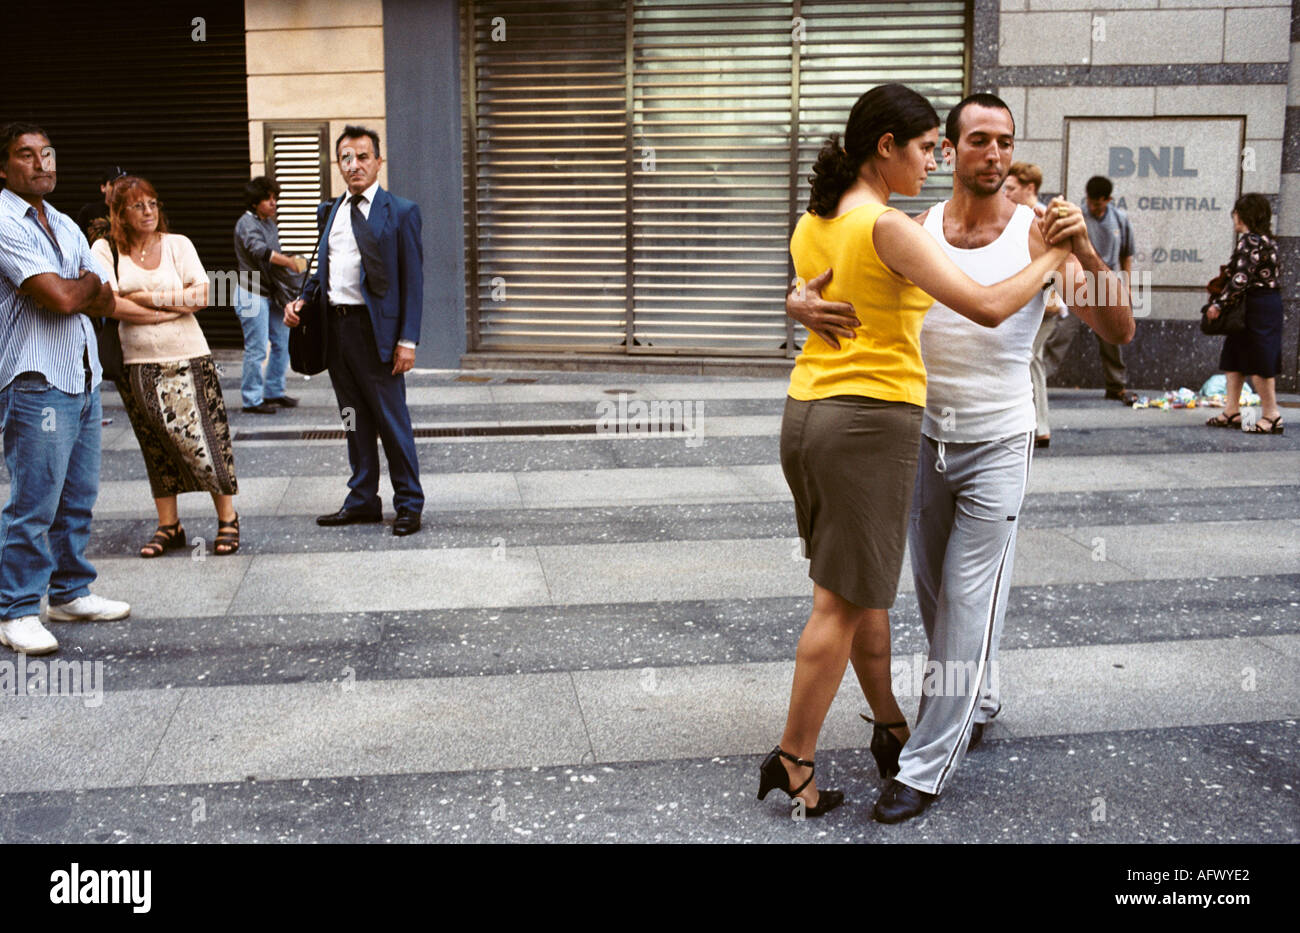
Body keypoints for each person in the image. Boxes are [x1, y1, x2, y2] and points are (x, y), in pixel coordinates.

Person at [785, 93, 1133, 824]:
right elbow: (836, 279)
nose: (996, 154)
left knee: (969, 599)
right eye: (978, 140)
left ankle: (924, 765)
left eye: (1005, 141)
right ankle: (980, 694)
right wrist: (798, 305)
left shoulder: (1043, 233)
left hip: (998, 440)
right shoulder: (910, 227)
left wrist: (1087, 253)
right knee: (938, 601)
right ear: (947, 148)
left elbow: (1118, 327)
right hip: (915, 441)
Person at [0, 122, 129, 656]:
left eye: (47, 153)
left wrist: (83, 288)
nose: (41, 163)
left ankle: (70, 590)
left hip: (81, 375)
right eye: (26, 155)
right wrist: (83, 286)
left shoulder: (65, 223)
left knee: (77, 497)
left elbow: (105, 298)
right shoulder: (5, 220)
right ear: (4, 168)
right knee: (34, 503)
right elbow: (60, 298)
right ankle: (16, 609)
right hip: (36, 381)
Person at [284, 124, 425, 537]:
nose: (355, 164)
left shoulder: (400, 211)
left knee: (391, 422)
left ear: (378, 161)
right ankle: (362, 499)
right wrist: (302, 303)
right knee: (352, 420)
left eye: (363, 156)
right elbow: (321, 273)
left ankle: (409, 504)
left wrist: (407, 340)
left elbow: (413, 281)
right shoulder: (330, 212)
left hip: (376, 334)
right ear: (338, 164)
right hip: (336, 332)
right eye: (346, 157)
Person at [90, 176, 241, 557]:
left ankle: (228, 519)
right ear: (119, 213)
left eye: (153, 204)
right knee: (156, 444)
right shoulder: (105, 248)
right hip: (137, 361)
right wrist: (168, 310)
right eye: (138, 206)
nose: (148, 212)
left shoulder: (178, 244)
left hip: (189, 355)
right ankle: (169, 525)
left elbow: (203, 293)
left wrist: (145, 297)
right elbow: (108, 303)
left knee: (206, 441)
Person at [1204, 193, 1284, 434]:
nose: (1234, 218)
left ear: (1244, 215)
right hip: (1264, 303)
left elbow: (1240, 279)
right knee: (1234, 357)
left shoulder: (1249, 241)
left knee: (1260, 360)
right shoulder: (1268, 240)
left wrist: (1218, 305)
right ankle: (1232, 410)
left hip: (1255, 306)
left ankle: (1272, 415)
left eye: (1236, 213)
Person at [1003, 161, 1070, 447]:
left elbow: (1058, 259)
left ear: (1029, 188)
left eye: (1011, 188)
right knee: (1033, 359)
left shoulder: (1040, 215)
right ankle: (1037, 425)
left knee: (1029, 358)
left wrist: (1054, 296)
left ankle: (1038, 426)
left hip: (1043, 301)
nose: (1005, 193)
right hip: (1029, 299)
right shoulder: (1017, 216)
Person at [234, 176, 303, 414]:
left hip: (271, 292)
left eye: (275, 198)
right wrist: (290, 263)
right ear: (254, 202)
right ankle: (251, 400)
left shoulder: (270, 224)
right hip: (250, 291)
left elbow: (274, 258)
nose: (274, 203)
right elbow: (260, 251)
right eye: (267, 199)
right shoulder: (246, 223)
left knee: (282, 343)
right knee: (257, 348)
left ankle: (274, 391)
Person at [1083, 175, 1138, 404]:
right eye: (1090, 202)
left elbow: (1126, 254)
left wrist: (1127, 285)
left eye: (1098, 203)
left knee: (1111, 337)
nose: (1093, 207)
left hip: (1109, 282)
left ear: (1108, 200)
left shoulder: (1119, 218)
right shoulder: (1078, 215)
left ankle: (1115, 385)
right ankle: (1038, 381)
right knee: (1060, 333)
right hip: (1078, 280)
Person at [76, 164, 126, 240]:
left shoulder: (132, 212)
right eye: (113, 184)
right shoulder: (89, 212)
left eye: (122, 184)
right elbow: (76, 241)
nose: (117, 188)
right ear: (103, 188)